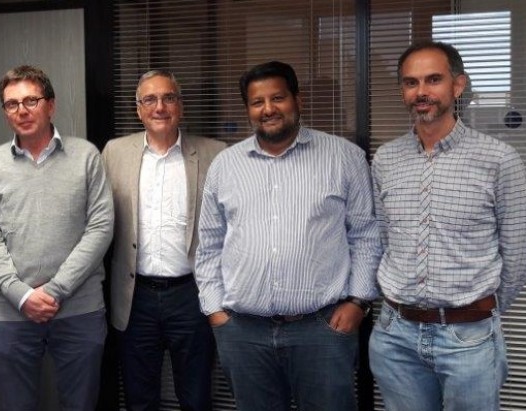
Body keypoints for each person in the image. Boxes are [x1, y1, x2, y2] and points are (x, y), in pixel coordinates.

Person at [194, 60, 382, 411]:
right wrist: (215, 310)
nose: (268, 109)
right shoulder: (225, 165)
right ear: (248, 109)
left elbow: (366, 237)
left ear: (298, 99)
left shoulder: (344, 157)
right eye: (257, 102)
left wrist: (358, 302)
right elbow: (209, 244)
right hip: (243, 333)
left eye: (277, 98)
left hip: (322, 330)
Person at [369, 41, 526, 411]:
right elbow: (383, 239)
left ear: (457, 85)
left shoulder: (498, 159)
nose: (421, 91)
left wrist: (479, 313)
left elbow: (516, 254)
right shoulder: (386, 159)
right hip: (396, 336)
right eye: (411, 82)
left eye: (433, 79)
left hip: (468, 338)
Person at [0, 65, 114, 411]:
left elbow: (100, 227)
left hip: (79, 310)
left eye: (31, 101)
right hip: (12, 311)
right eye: (12, 104)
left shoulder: (86, 156)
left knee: (80, 405)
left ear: (50, 105)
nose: (21, 110)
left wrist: (54, 291)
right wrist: (21, 295)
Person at [102, 70, 226, 410]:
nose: (160, 107)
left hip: (192, 295)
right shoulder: (114, 153)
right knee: (139, 399)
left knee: (196, 397)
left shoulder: (215, 154)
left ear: (180, 106)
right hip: (135, 297)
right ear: (138, 109)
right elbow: (97, 220)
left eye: (168, 98)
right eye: (150, 100)